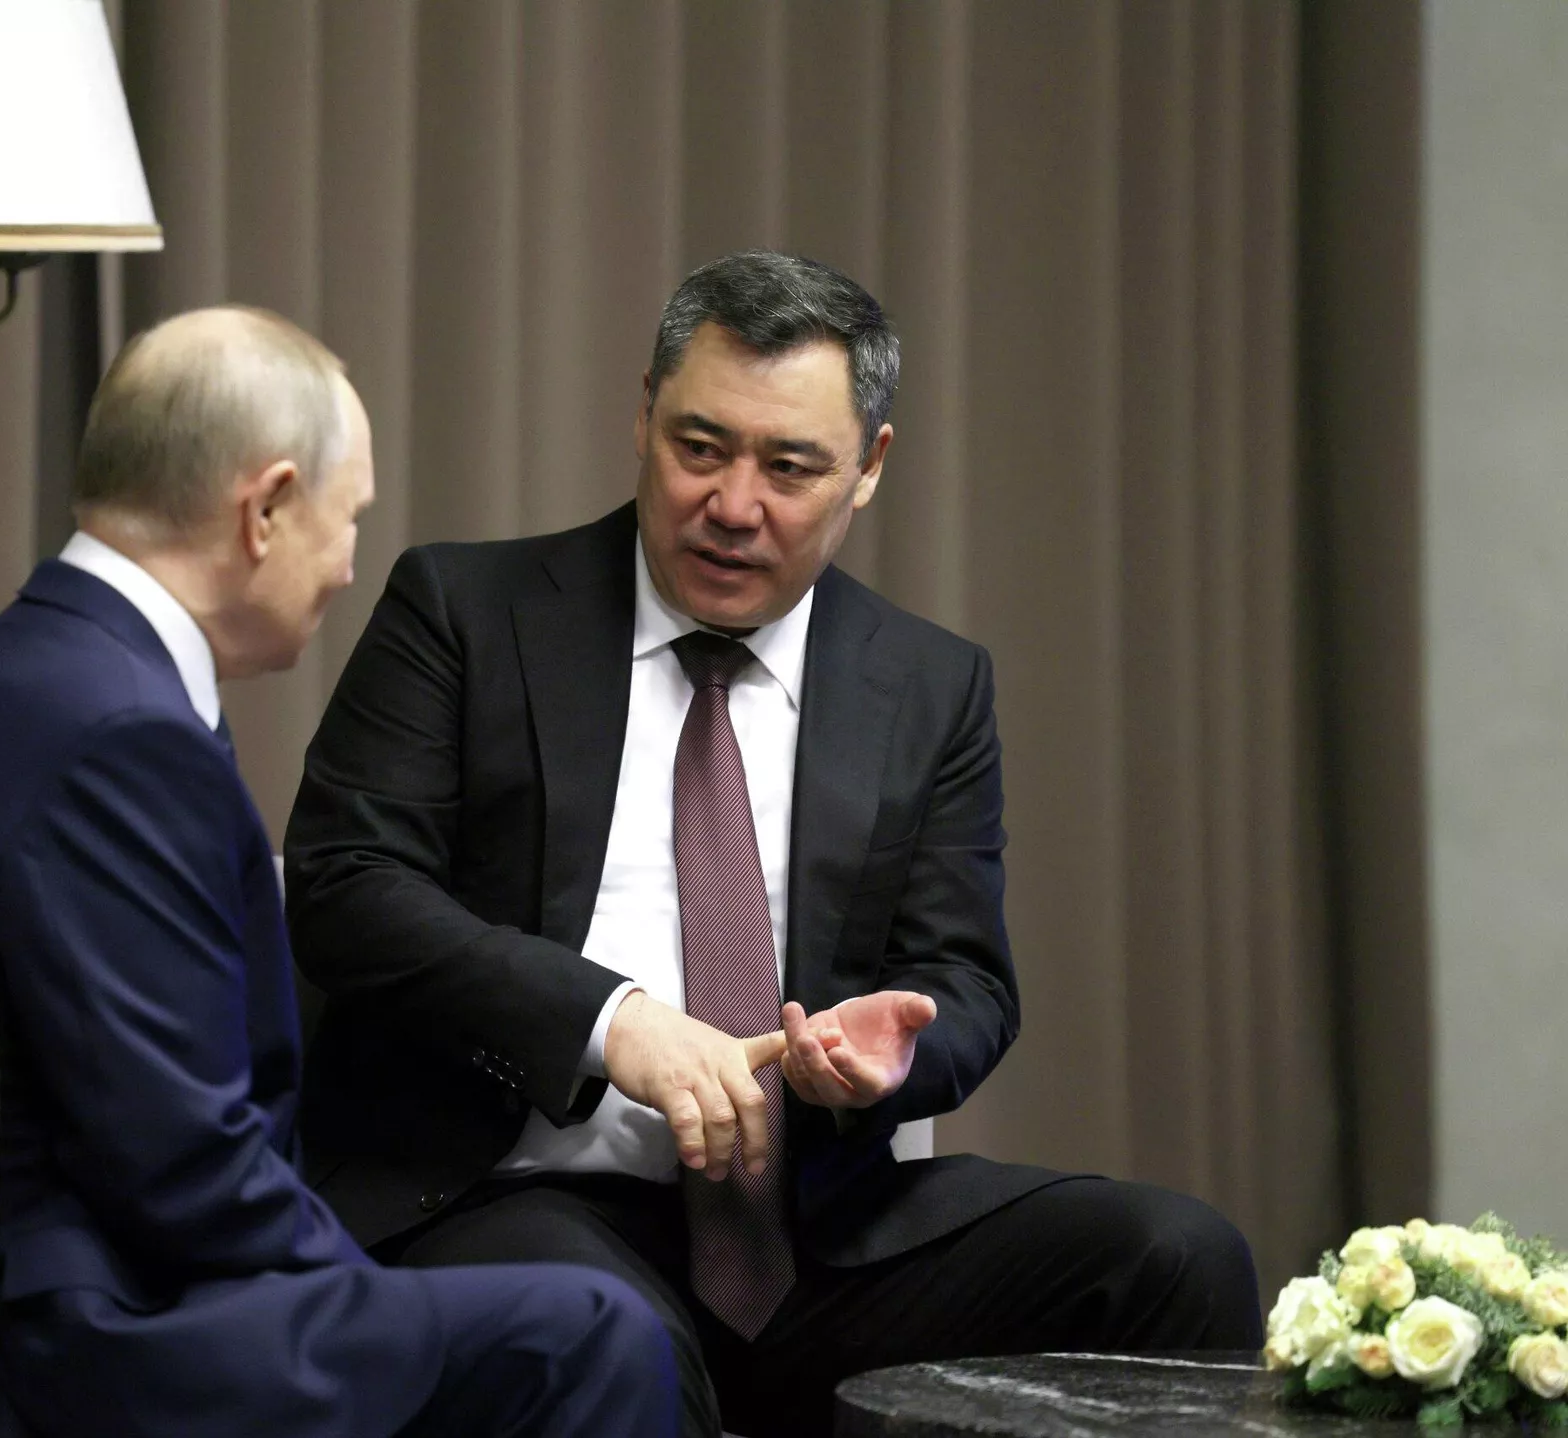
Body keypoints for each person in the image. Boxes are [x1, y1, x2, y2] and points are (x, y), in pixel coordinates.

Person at [282, 252, 1263, 1438]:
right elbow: (345, 885)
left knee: (1176, 1255)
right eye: (700, 448)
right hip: (512, 1195)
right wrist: (611, 1020)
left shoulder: (929, 683)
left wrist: (882, 1057)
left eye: (790, 467)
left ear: (870, 467)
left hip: (810, 1231)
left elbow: (965, 980)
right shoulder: (467, 612)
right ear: (644, 415)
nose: (735, 505)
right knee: (609, 1334)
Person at [0, 306, 678, 1438]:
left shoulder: (37, 671)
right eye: (346, 517)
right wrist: (363, 1290)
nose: (349, 565)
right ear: (266, 508)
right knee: (591, 1332)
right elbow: (180, 1161)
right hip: (92, 1322)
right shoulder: (116, 732)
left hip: (84, 1271)